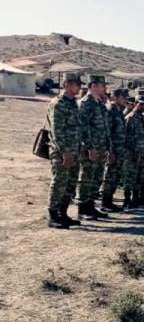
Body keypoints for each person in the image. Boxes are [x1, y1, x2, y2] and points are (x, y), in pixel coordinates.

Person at [46, 73, 83, 229]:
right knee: (59, 182)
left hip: (74, 151)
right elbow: (57, 131)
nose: (79, 87)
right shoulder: (59, 103)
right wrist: (65, 152)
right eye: (76, 84)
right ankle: (53, 215)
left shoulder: (73, 103)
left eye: (79, 84)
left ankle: (63, 213)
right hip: (62, 152)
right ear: (66, 85)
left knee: (71, 183)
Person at [77, 74, 112, 219]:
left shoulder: (99, 104)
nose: (105, 88)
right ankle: (83, 208)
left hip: (100, 148)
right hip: (90, 149)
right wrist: (89, 147)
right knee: (87, 177)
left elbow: (104, 128)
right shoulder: (86, 103)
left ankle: (91, 206)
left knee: (96, 177)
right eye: (103, 85)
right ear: (93, 86)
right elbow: (83, 127)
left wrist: (107, 147)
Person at [101, 87, 128, 211]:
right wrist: (110, 151)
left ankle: (109, 200)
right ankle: (105, 202)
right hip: (113, 150)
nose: (126, 100)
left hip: (119, 150)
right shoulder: (110, 110)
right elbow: (108, 133)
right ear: (114, 98)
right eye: (123, 97)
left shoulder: (119, 111)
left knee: (115, 176)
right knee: (109, 176)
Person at [122, 96, 144, 209]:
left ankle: (136, 197)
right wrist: (129, 152)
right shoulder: (130, 118)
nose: (143, 106)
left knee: (139, 176)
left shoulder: (142, 117)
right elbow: (126, 137)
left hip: (142, 152)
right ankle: (127, 199)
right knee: (129, 176)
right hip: (132, 153)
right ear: (135, 104)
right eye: (141, 104)